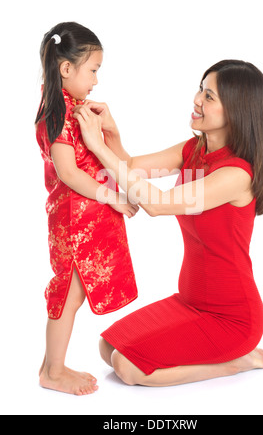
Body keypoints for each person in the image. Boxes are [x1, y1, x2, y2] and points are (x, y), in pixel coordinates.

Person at [73, 59, 263, 387]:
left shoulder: (236, 175)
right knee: (107, 346)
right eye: (201, 90)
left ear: (236, 110)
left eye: (209, 97)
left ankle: (234, 362)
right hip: (191, 301)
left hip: (232, 318)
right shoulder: (193, 151)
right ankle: (224, 356)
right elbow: (128, 169)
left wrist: (97, 145)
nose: (197, 99)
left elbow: (155, 204)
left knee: (128, 367)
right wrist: (111, 132)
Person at [35, 22, 139, 395]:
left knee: (75, 292)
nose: (96, 79)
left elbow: (102, 157)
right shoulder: (57, 110)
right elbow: (68, 172)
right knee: (67, 291)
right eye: (92, 70)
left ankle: (53, 366)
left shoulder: (76, 107)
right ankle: (52, 370)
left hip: (87, 212)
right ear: (67, 69)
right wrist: (112, 196)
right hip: (71, 216)